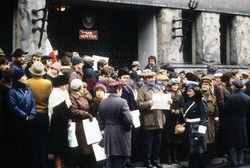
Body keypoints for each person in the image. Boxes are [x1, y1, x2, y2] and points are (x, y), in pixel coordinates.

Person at [136, 70, 170, 168]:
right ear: (145, 79)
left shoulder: (159, 88)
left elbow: (163, 102)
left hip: (159, 119)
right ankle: (147, 161)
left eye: (152, 77)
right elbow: (138, 104)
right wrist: (148, 103)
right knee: (148, 143)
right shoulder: (142, 90)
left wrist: (168, 101)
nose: (151, 79)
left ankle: (155, 160)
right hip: (149, 120)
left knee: (157, 143)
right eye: (148, 78)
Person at [98, 81, 133, 168]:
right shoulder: (122, 102)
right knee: (119, 159)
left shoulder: (102, 102)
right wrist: (127, 128)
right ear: (118, 90)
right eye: (121, 90)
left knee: (110, 158)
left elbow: (100, 120)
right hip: (120, 132)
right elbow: (128, 119)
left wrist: (103, 130)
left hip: (108, 132)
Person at [8, 69, 36, 168]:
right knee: (19, 146)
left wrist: (32, 115)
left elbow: (33, 102)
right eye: (24, 76)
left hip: (29, 121)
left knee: (29, 145)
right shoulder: (12, 91)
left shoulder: (27, 89)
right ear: (18, 78)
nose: (26, 78)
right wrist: (25, 116)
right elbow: (14, 107)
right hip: (18, 123)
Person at [26, 62, 52, 168]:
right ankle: (43, 163)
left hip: (31, 115)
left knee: (33, 139)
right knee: (43, 140)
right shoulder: (48, 83)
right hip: (44, 114)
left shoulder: (27, 82)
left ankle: (34, 163)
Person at [69, 79, 95, 168]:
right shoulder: (72, 97)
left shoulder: (82, 95)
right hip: (79, 125)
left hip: (85, 124)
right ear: (79, 87)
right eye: (82, 87)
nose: (84, 88)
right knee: (82, 148)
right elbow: (74, 111)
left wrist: (93, 106)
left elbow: (86, 107)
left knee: (87, 148)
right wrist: (86, 114)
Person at [224, 79, 250, 167]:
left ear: (234, 87)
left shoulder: (230, 97)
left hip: (231, 122)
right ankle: (241, 161)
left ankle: (234, 161)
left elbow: (225, 110)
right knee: (241, 143)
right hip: (242, 122)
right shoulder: (247, 97)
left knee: (232, 143)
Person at [48, 75, 71, 168]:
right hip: (57, 124)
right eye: (63, 85)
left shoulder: (64, 92)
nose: (64, 87)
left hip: (64, 123)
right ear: (58, 85)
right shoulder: (54, 94)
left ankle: (63, 165)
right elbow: (57, 111)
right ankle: (58, 166)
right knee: (58, 147)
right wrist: (67, 120)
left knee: (64, 146)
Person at [183, 82, 208, 168]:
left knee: (195, 152)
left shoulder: (200, 101)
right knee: (194, 153)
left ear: (195, 91)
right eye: (187, 91)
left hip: (196, 128)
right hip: (189, 127)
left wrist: (201, 133)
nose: (188, 93)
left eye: (190, 91)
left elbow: (204, 119)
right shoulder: (190, 100)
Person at [164, 78, 185, 165]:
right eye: (173, 85)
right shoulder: (166, 94)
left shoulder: (180, 94)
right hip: (168, 118)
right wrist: (171, 110)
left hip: (177, 119)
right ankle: (168, 158)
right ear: (170, 86)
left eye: (176, 85)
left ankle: (175, 157)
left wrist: (179, 111)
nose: (175, 87)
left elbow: (183, 105)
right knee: (168, 139)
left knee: (176, 139)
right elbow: (164, 106)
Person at [200, 76, 218, 166]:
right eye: (203, 84)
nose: (204, 86)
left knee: (210, 141)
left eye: (206, 84)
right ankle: (202, 163)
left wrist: (216, 117)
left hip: (210, 122)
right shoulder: (198, 96)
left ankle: (208, 162)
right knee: (201, 141)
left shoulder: (213, 97)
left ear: (210, 86)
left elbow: (215, 109)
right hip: (201, 122)